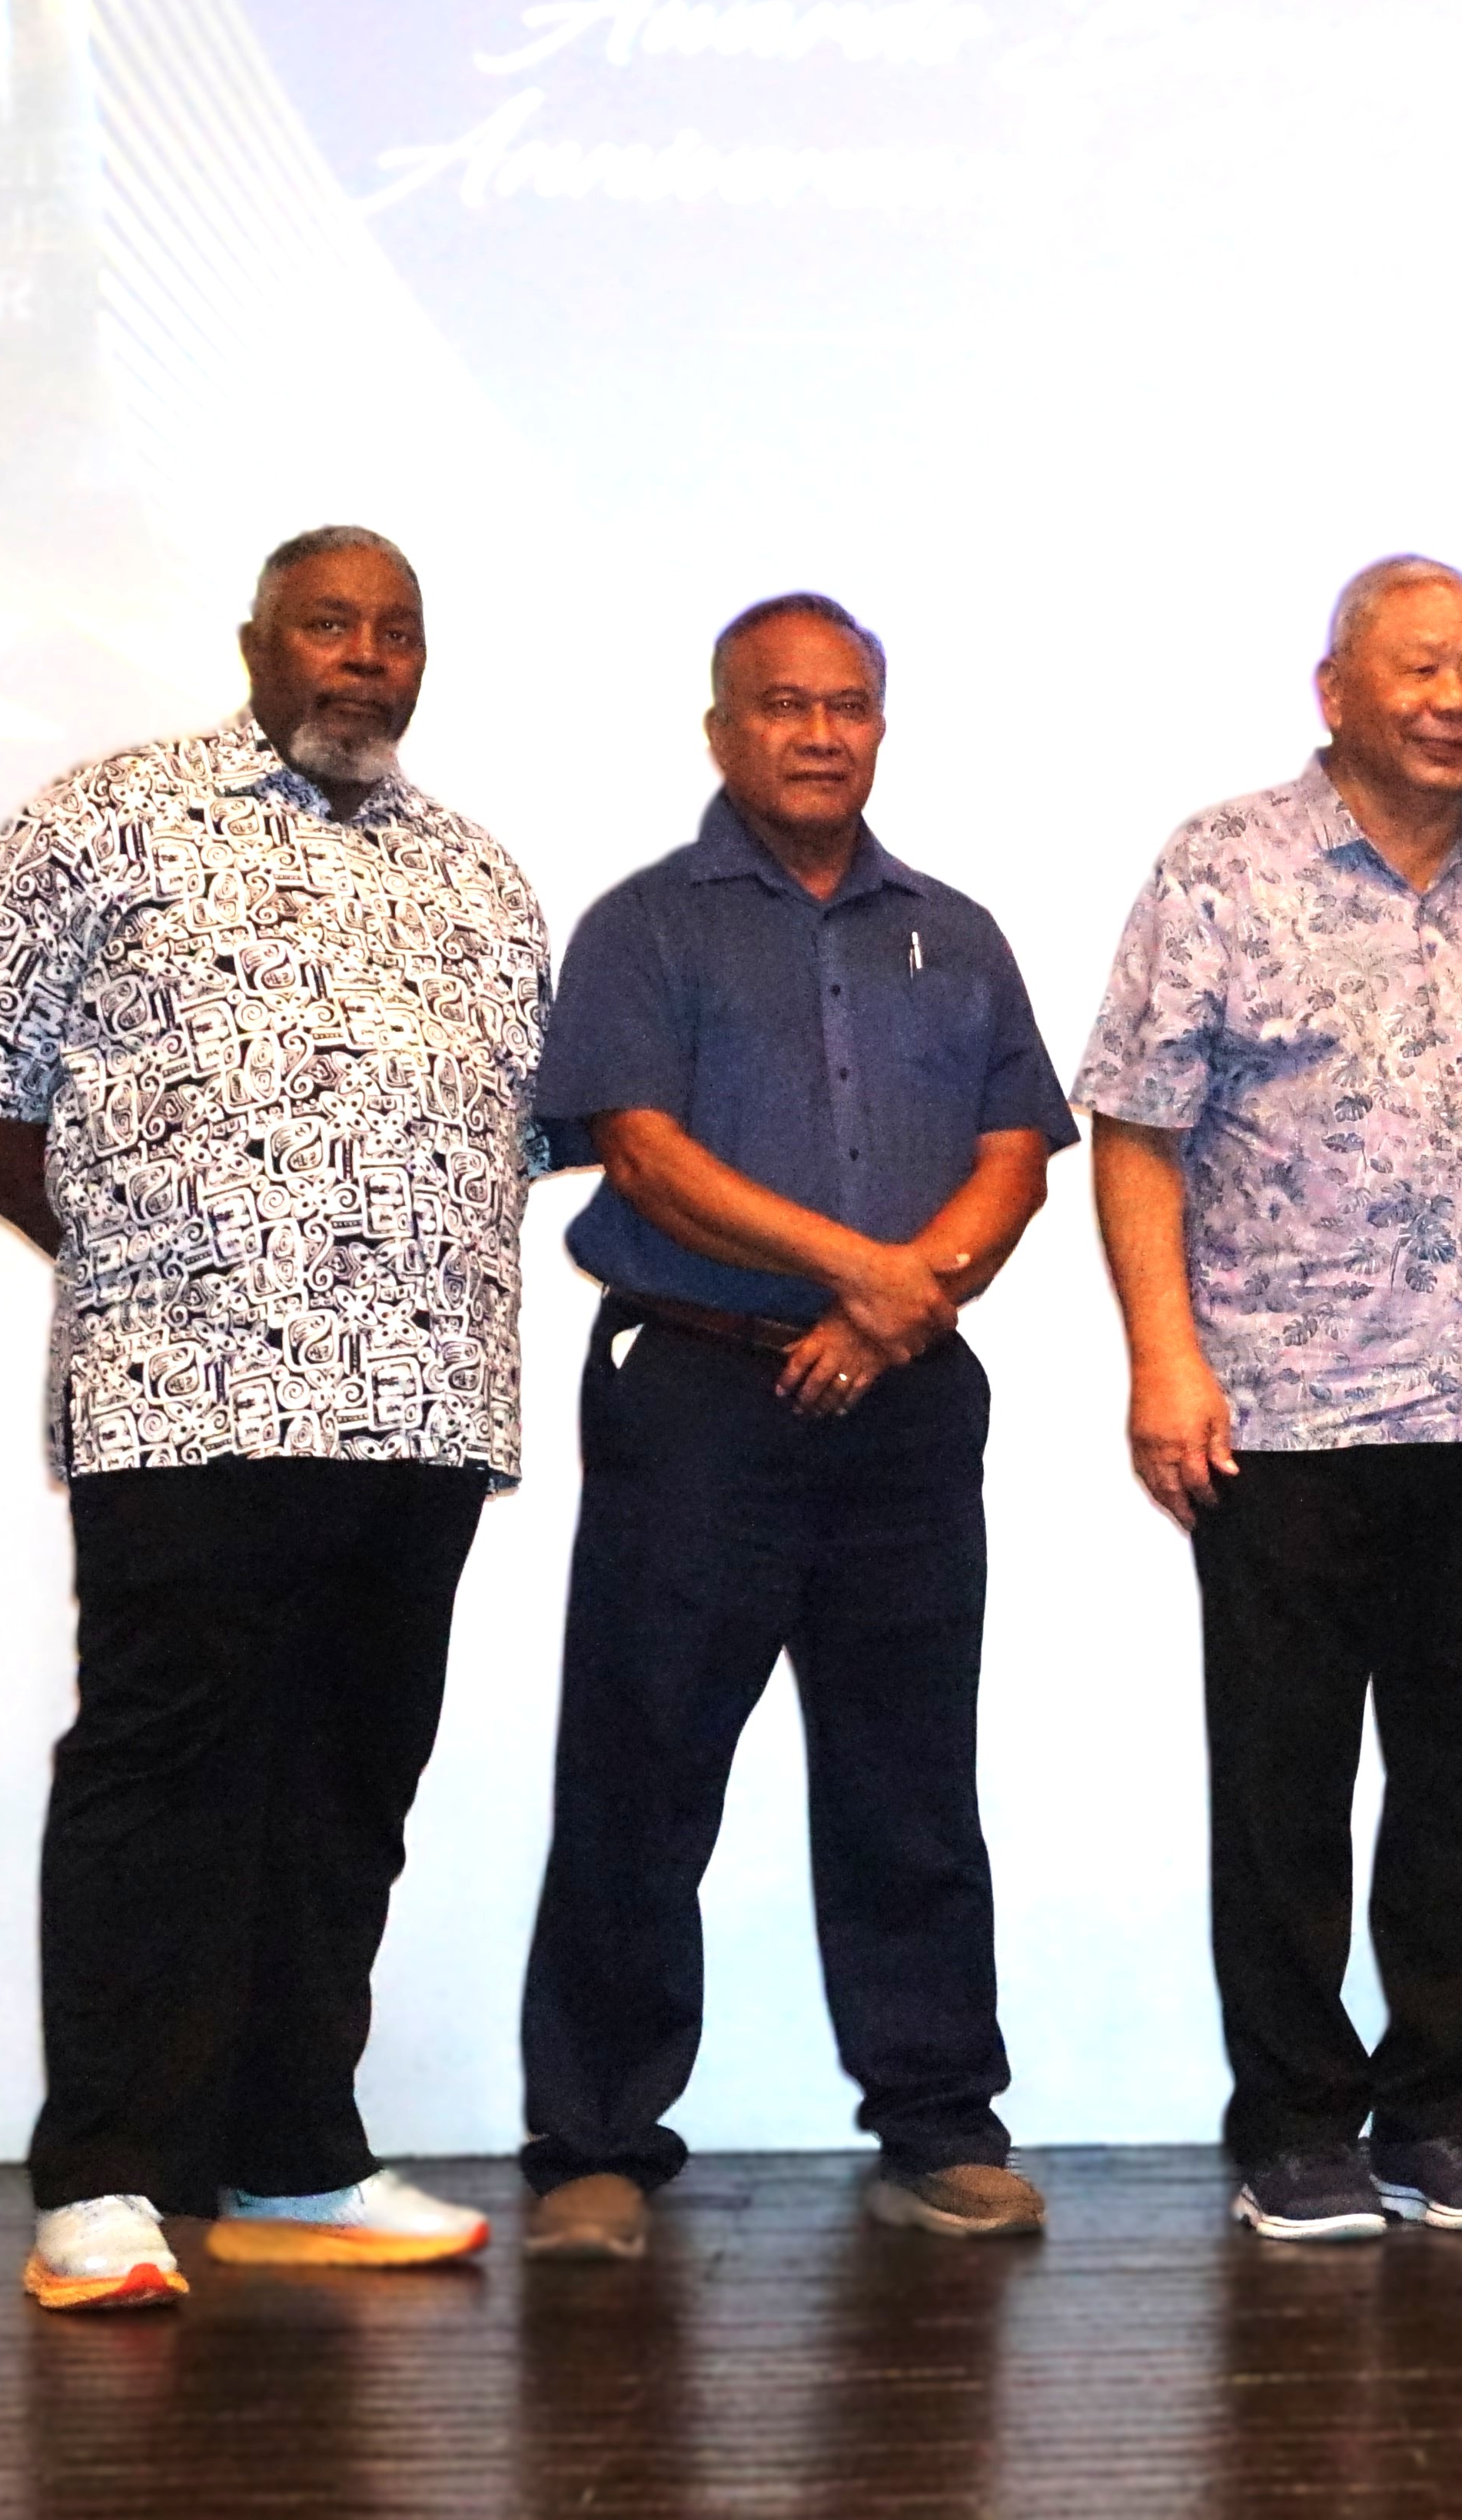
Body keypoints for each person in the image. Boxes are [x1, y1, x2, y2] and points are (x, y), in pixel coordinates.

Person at [0, 523, 547, 2312]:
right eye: (329, 624)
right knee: (161, 1778)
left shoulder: (482, 877)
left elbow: (522, 1134)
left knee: (347, 1790)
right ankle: (104, 2175)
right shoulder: (102, 818)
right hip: (186, 1392)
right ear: (256, 640)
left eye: (396, 631)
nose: (364, 657)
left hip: (421, 1401)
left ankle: (292, 2157)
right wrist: (126, 1239)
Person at [1085, 556, 1462, 2245]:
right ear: (1335, 689)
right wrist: (1164, 1360)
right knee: (1285, 1784)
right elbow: (1136, 1127)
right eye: (1420, 668)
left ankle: (1448, 2108)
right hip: (1279, 1408)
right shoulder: (1225, 862)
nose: (1454, 697)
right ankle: (1298, 2125)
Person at [510, 593, 1075, 2261]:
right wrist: (864, 1275)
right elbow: (644, 1150)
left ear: (880, 728)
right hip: (698, 1394)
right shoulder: (646, 927)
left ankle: (938, 2123)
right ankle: (599, 2141)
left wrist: (908, 1304)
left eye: (848, 706)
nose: (819, 733)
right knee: (644, 1766)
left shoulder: (955, 930)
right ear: (721, 731)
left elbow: (1016, 1148)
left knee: (911, 1776)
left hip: (907, 1407)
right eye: (783, 706)